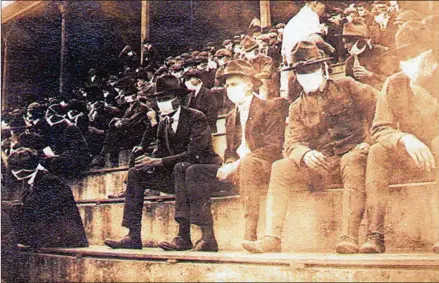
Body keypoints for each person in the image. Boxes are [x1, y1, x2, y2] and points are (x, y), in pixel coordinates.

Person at [242, 41, 378, 254]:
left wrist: (367, 143)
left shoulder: (348, 86)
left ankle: (349, 237)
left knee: (352, 160)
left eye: (312, 69)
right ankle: (272, 238)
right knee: (281, 166)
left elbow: (379, 113)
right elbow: (292, 142)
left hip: (354, 157)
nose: (307, 75)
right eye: (302, 72)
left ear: (323, 68)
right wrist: (304, 154)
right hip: (322, 164)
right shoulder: (297, 107)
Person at [158, 60, 286, 252]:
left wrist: (236, 165)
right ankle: (208, 237)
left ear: (250, 84)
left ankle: (250, 235)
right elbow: (230, 151)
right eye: (226, 85)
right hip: (239, 169)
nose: (229, 89)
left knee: (249, 163)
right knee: (193, 171)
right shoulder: (230, 117)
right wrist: (229, 162)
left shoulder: (270, 107)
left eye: (234, 84)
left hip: (262, 167)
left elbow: (273, 147)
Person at [103, 75, 222, 249]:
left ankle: (183, 236)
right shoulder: (163, 123)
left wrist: (159, 162)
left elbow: (195, 154)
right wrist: (149, 162)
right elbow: (160, 150)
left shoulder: (196, 117)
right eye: (158, 100)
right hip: (176, 175)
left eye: (166, 99)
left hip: (200, 174)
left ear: (179, 98)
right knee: (136, 173)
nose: (161, 103)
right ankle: (132, 235)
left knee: (183, 168)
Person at [362, 21, 439, 254]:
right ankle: (374, 234)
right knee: (377, 151)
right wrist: (405, 139)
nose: (409, 61)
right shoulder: (394, 83)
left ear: (431, 53)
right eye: (404, 56)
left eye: (415, 53)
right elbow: (380, 129)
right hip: (410, 156)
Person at [7, 147, 88, 248]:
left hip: (62, 236)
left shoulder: (49, 181)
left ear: (23, 169)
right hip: (51, 229)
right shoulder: (36, 178)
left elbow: (39, 210)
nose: (12, 172)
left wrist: (13, 207)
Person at [280, 1, 335, 99]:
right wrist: (327, 47)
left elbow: (284, 57)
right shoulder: (311, 16)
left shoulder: (293, 21)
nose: (322, 12)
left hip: (293, 68)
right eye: (322, 9)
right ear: (315, 4)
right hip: (309, 67)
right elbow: (314, 39)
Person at [90, 91, 155, 168]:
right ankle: (107, 158)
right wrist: (119, 119)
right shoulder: (130, 107)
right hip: (132, 131)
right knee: (113, 131)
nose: (124, 98)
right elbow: (126, 119)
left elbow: (132, 122)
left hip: (139, 133)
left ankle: (105, 157)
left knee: (113, 131)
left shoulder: (142, 107)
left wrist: (120, 121)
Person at [342, 18, 388, 90]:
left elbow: (392, 79)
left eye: (348, 42)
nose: (345, 47)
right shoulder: (350, 62)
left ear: (360, 41)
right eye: (344, 43)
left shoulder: (380, 52)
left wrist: (369, 75)